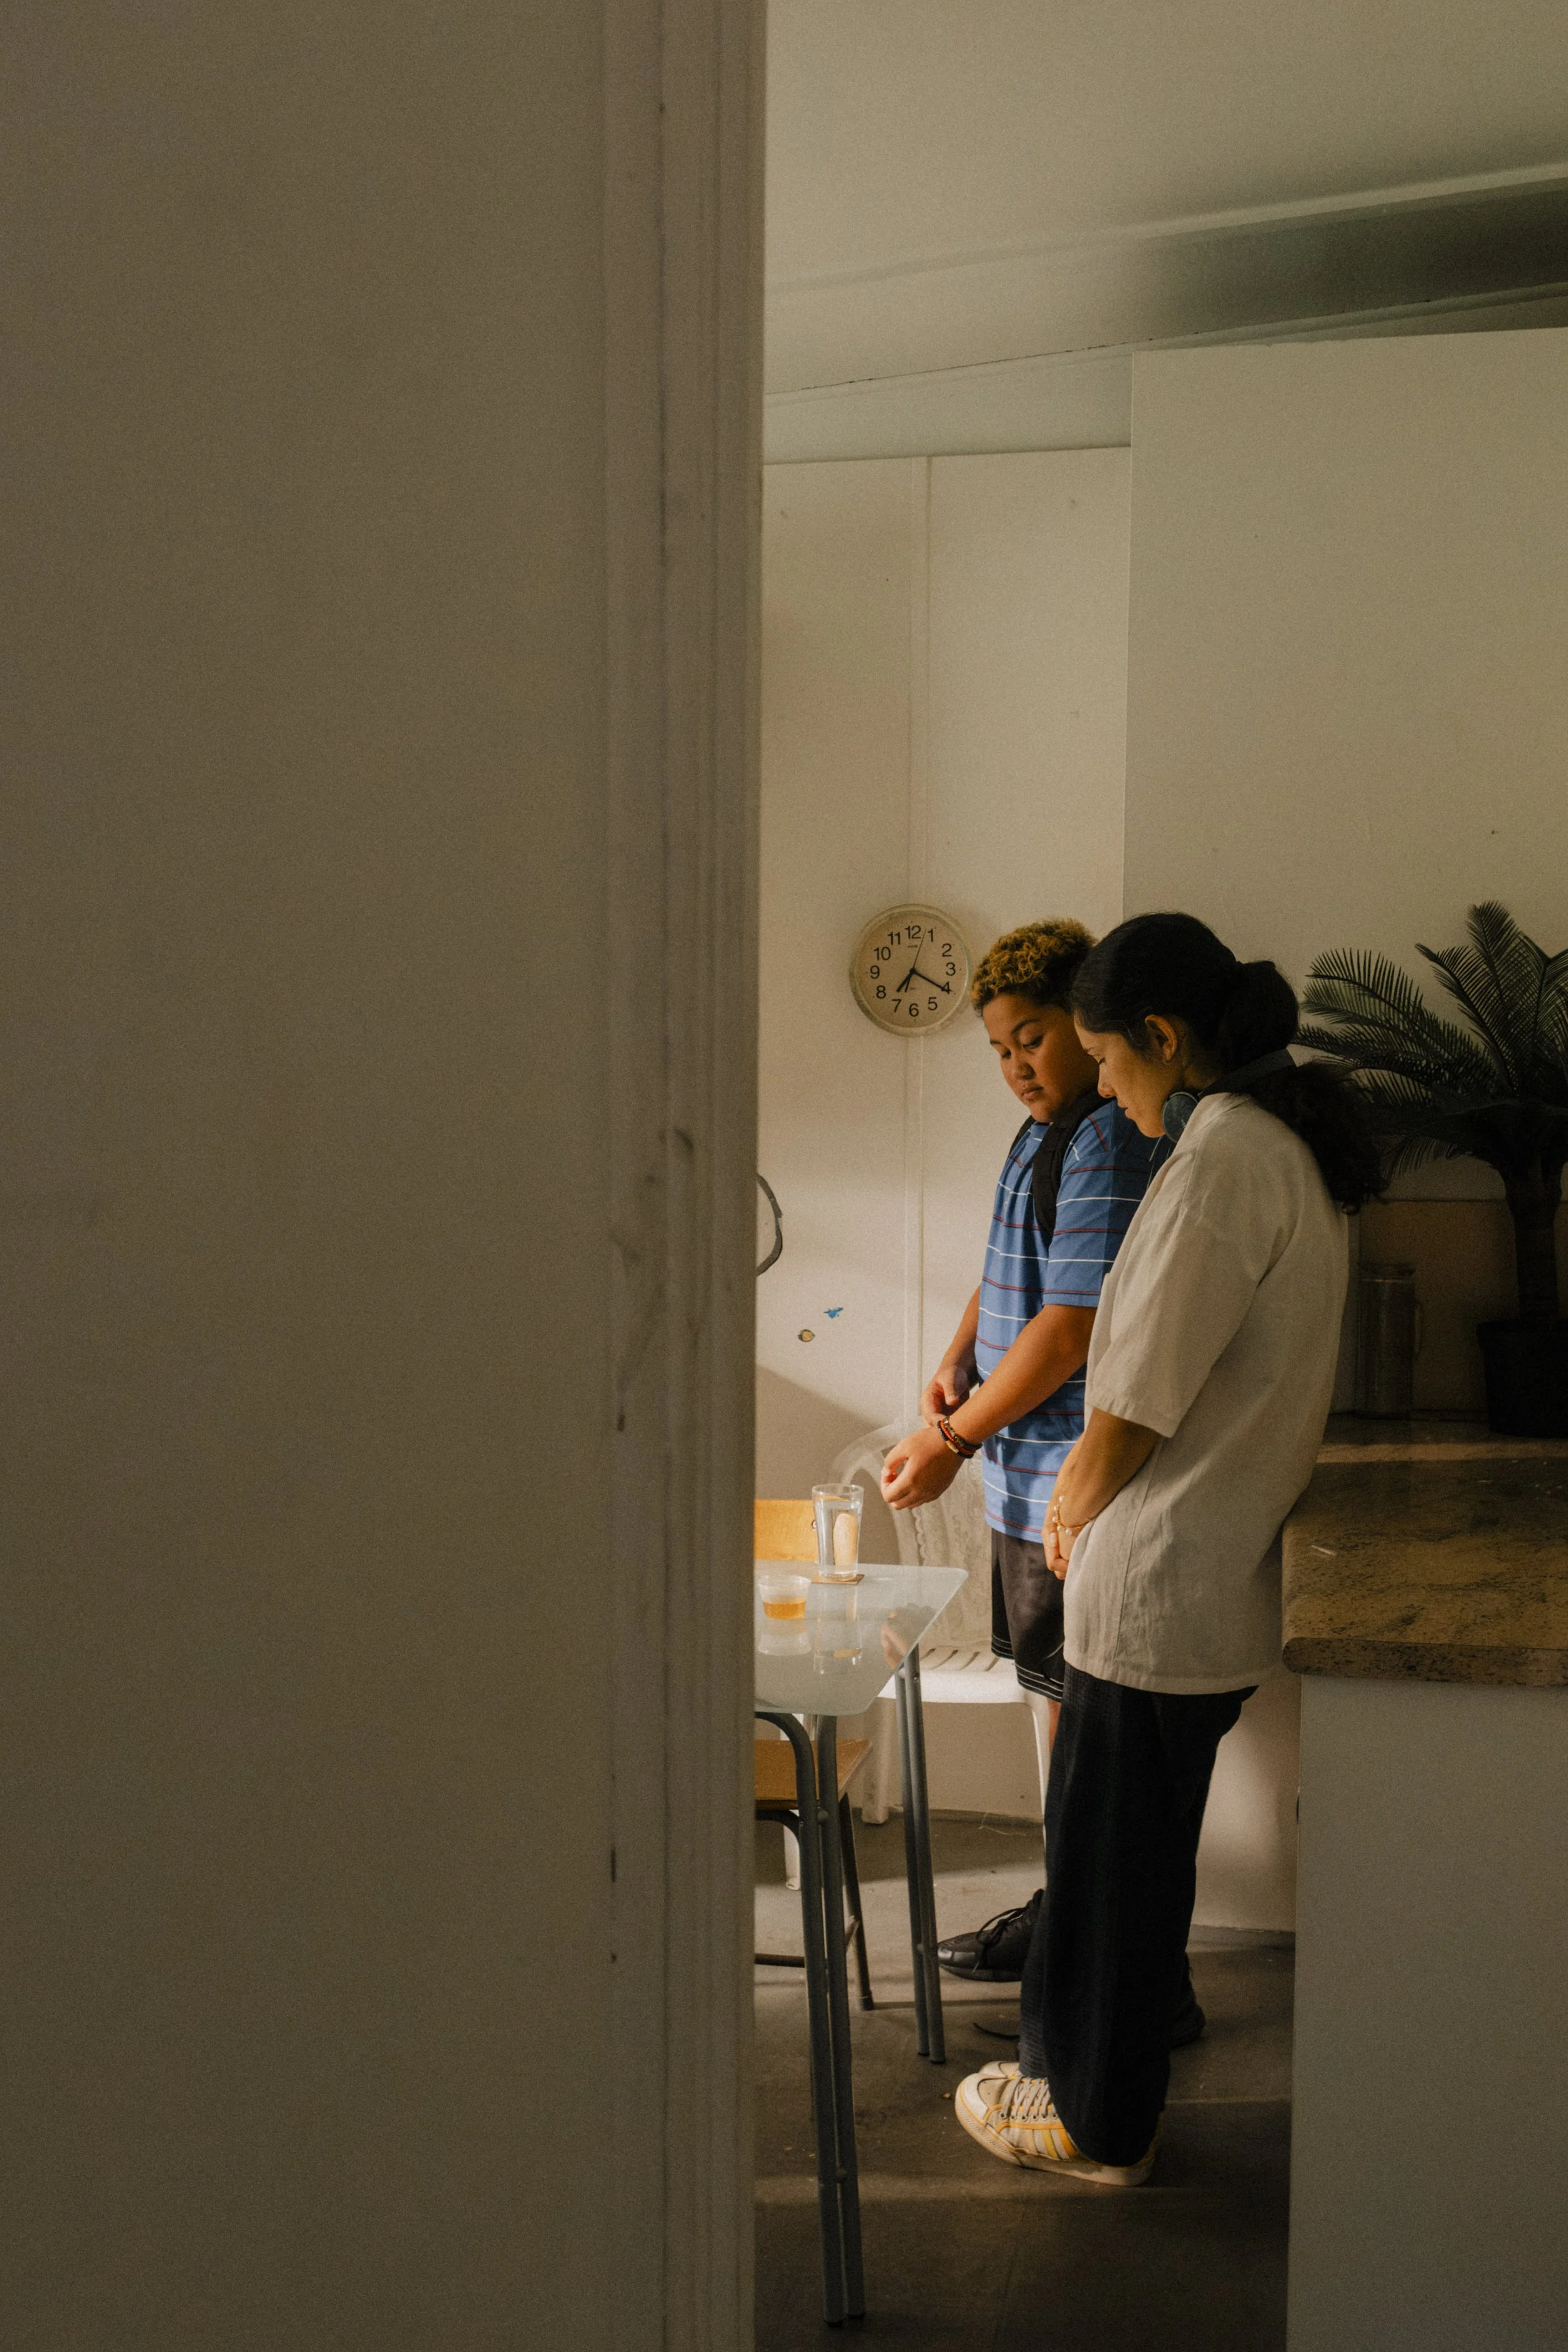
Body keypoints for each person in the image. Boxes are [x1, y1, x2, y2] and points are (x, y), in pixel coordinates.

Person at [952, 911, 1380, 2186]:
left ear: (1159, 1037)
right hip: (1202, 1579)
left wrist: (1070, 1508)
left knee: (1105, 1877)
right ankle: (1096, 2097)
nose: (1116, 1100)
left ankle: (1087, 2120)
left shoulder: (1218, 1158)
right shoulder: (1274, 1143)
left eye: (1111, 1064)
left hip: (1153, 1585)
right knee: (1133, 1869)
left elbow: (1129, 1393)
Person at [879, 918, 1160, 1987]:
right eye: (999, 1049)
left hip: (1066, 1490)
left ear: (1088, 1029)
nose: (1015, 1068)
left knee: (1084, 1739)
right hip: (1022, 1484)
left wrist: (952, 1435)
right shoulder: (1041, 1134)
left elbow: (1071, 1326)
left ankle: (1100, 1958)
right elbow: (1010, 1270)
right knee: (1055, 1717)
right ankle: (1067, 1922)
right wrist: (955, 1355)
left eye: (1031, 1039)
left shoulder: (1106, 1136)